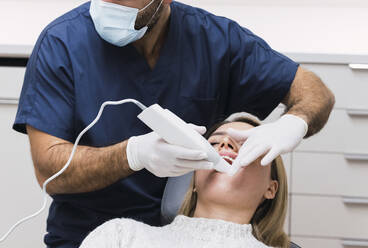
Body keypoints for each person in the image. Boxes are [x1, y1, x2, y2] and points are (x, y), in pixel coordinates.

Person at [13, 0, 334, 247]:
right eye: (216, 138)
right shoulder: (63, 43)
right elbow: (49, 170)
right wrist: (133, 154)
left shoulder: (216, 41)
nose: (107, 7)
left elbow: (313, 93)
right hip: (87, 230)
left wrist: (294, 122)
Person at [79, 116, 290, 248]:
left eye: (246, 145)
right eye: (215, 142)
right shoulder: (121, 237)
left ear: (271, 189)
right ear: (195, 181)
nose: (225, 143)